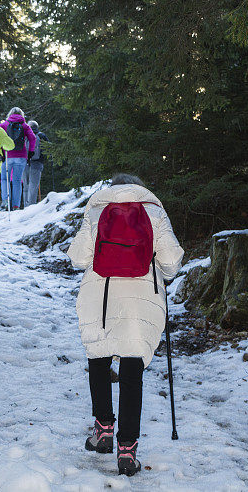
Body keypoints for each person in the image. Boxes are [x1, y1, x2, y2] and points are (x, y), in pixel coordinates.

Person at [66, 174, 184, 476]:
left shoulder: (96, 210)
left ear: (112, 188)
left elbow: (78, 259)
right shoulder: (155, 211)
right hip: (141, 299)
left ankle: (103, 430)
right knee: (132, 371)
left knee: (99, 359)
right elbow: (171, 262)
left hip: (100, 296)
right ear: (140, 186)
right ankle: (127, 450)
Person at [0, 107, 36, 211]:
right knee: (17, 181)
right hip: (21, 156)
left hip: (7, 155)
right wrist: (31, 152)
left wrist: (1, 152)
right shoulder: (24, 125)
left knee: (4, 179)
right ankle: (16, 206)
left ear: (10, 114)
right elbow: (33, 138)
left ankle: (6, 202)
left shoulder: (4, 125)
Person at [21, 120, 50, 206]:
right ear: (37, 127)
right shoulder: (41, 135)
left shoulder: (24, 135)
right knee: (33, 186)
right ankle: (31, 205)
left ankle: (26, 206)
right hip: (37, 163)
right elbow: (47, 148)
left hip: (24, 163)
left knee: (25, 186)